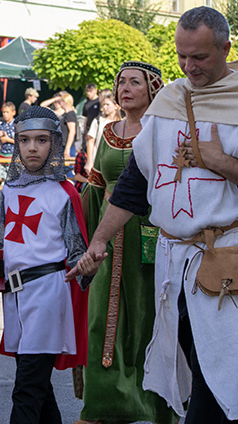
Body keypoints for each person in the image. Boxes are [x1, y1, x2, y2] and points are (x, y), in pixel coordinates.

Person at [68, 6, 238, 423]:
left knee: (220, 379)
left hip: (223, 262)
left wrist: (219, 161)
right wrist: (100, 240)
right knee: (190, 370)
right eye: (182, 56)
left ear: (225, 48)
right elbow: (133, 183)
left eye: (199, 57)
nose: (188, 66)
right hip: (172, 263)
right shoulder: (170, 99)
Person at [75, 61, 176, 424]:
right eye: (120, 82)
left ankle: (155, 407)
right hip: (107, 237)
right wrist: (82, 239)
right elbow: (96, 189)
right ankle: (102, 405)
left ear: (153, 88)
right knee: (101, 318)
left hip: (149, 236)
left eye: (134, 82)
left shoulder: (163, 129)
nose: (125, 88)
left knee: (148, 320)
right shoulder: (107, 131)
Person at [0, 105, 90, 424]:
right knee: (37, 385)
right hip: (16, 295)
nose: (32, 148)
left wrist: (89, 267)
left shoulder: (63, 193)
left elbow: (77, 251)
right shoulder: (8, 189)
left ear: (55, 144)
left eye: (41, 140)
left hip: (48, 292)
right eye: (24, 140)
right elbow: (1, 243)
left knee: (27, 388)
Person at [84, 91, 121, 173]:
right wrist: (89, 162)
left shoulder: (122, 123)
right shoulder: (98, 121)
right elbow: (90, 142)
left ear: (116, 106)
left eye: (107, 104)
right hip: (99, 162)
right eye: (103, 104)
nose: (104, 107)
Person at [0, 101, 16, 180]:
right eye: (4, 112)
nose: (5, 114)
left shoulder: (17, 125)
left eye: (7, 112)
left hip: (12, 156)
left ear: (13, 112)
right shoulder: (1, 125)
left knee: (11, 181)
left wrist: (8, 139)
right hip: (2, 156)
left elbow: (21, 142)